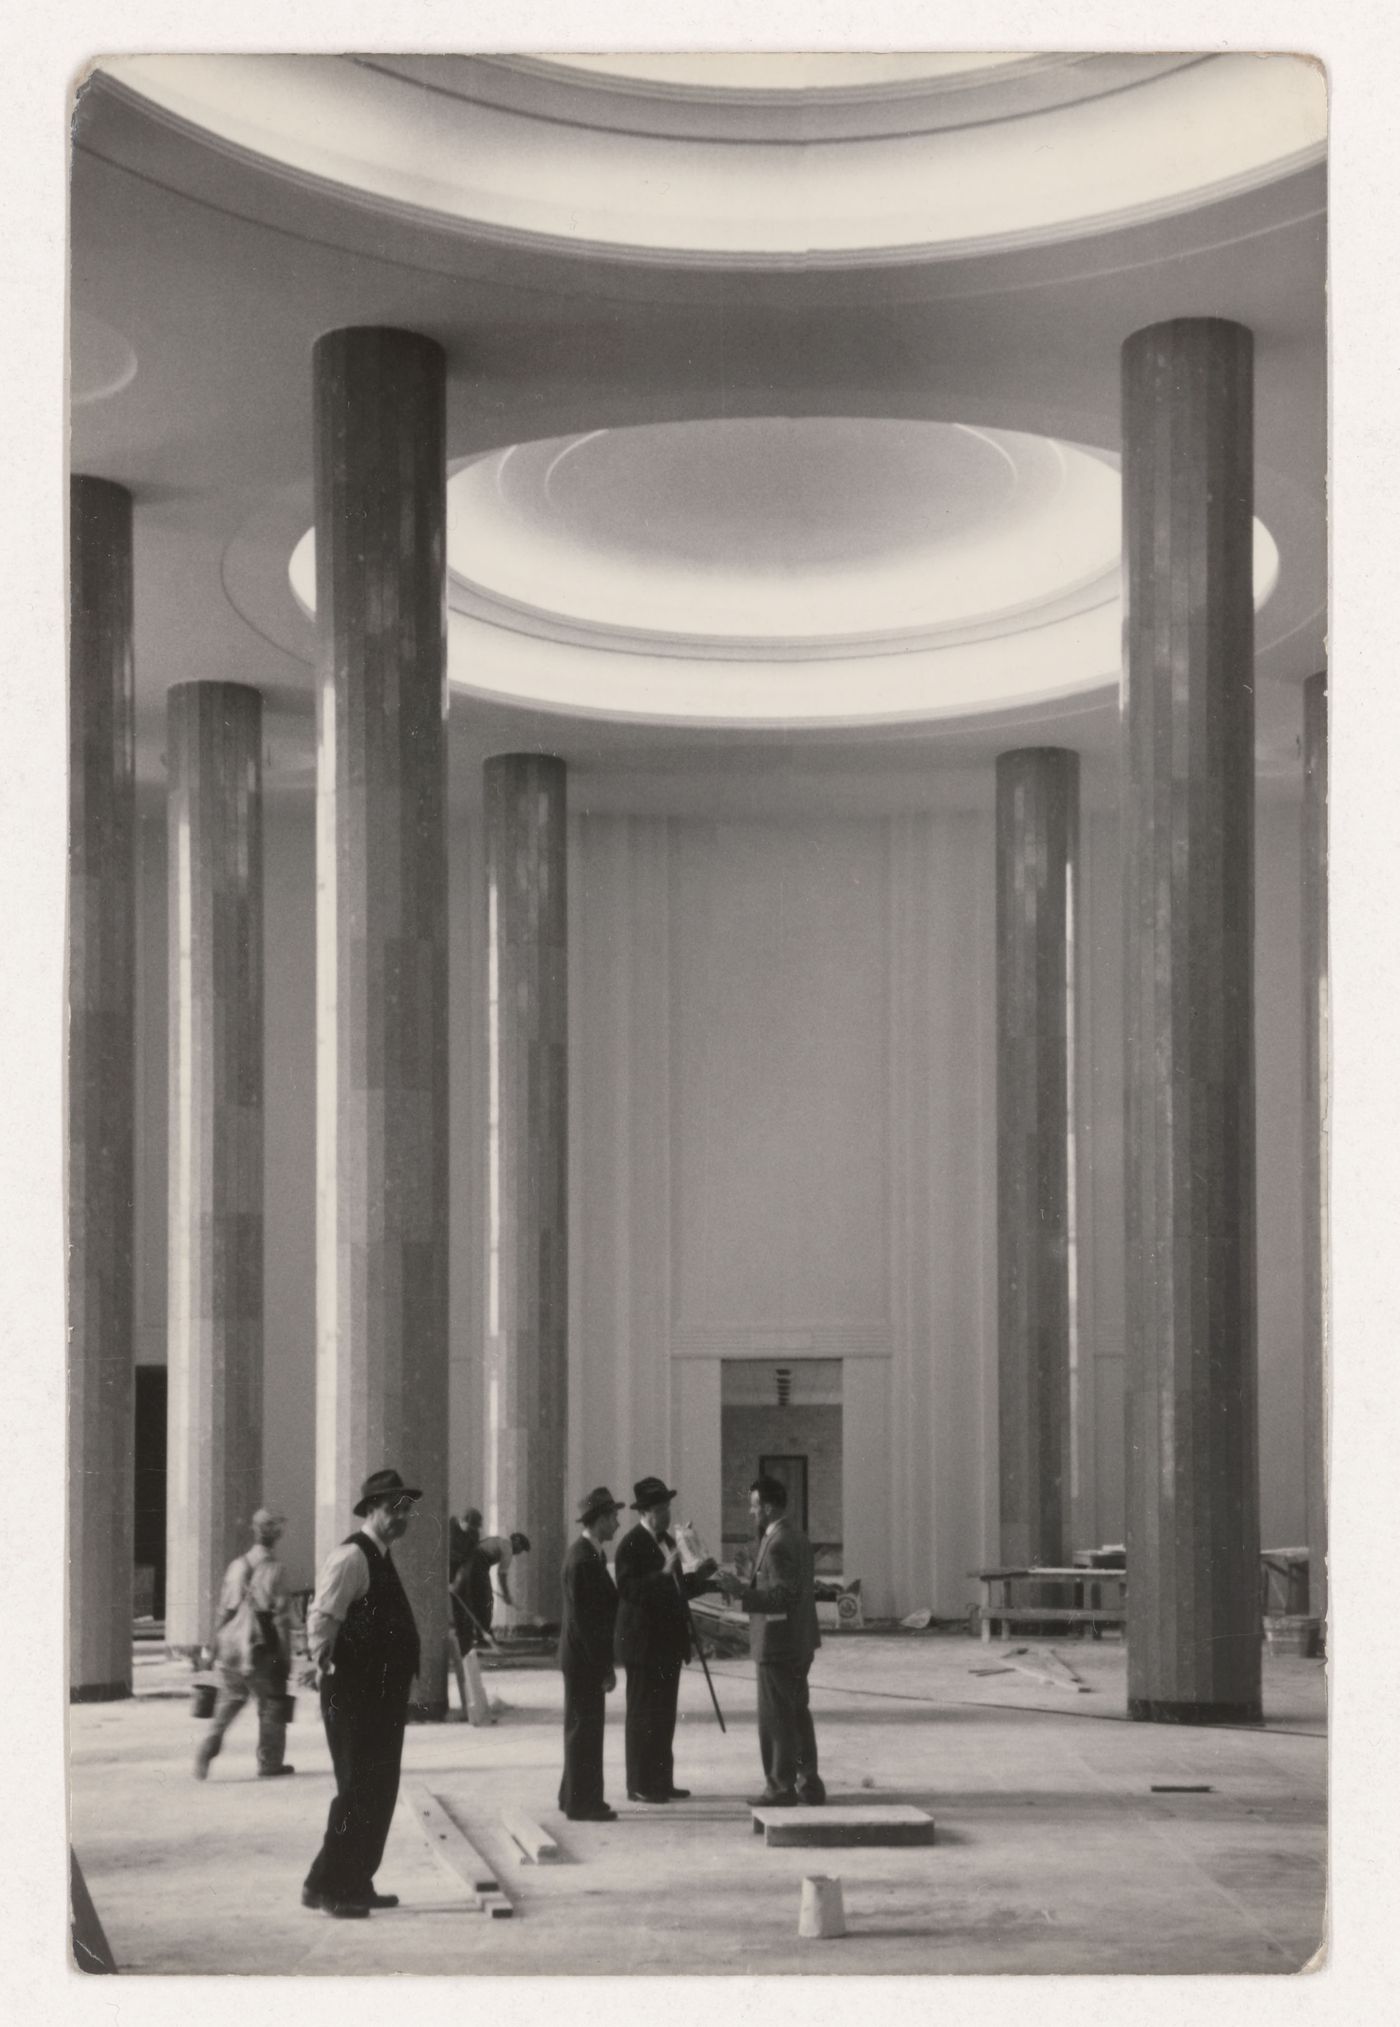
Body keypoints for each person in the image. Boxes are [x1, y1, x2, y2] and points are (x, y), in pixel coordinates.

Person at [301, 1468, 423, 1919]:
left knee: (378, 1790)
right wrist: (324, 1667)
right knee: (358, 1791)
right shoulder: (352, 1557)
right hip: (355, 1696)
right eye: (393, 1507)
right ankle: (337, 1890)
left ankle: (342, 1880)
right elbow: (322, 1619)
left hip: (380, 1697)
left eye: (406, 1508)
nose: (402, 1515)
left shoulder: (382, 1555)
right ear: (370, 1510)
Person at [714, 1475, 826, 1807]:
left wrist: (741, 1593)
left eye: (753, 1507)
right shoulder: (797, 1537)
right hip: (800, 1640)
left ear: (767, 1507)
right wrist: (749, 1577)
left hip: (778, 1644)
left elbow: (782, 1596)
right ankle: (810, 1783)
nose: (751, 1513)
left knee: (776, 1718)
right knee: (797, 1713)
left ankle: (780, 1787)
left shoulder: (776, 1544)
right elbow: (782, 1584)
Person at [613, 1475, 718, 1803]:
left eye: (668, 1507)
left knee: (664, 1715)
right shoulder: (630, 1545)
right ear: (644, 1513)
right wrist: (662, 1574)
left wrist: (704, 1578)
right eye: (660, 1509)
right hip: (643, 1645)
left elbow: (680, 1589)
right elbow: (629, 1591)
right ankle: (639, 1784)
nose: (667, 1514)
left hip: (668, 1644)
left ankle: (661, 1780)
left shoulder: (670, 1543)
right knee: (643, 1714)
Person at [195, 1506, 295, 1780]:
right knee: (272, 1704)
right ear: (277, 1535)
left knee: (229, 1700)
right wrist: (286, 1657)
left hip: (231, 1648)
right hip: (260, 1647)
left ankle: (208, 1746)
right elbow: (282, 1619)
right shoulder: (277, 1570)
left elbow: (224, 1611)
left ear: (254, 1531)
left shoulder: (237, 1566)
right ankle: (269, 1762)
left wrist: (212, 1645)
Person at [557, 1486, 626, 1822]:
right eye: (612, 1517)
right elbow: (586, 1624)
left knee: (581, 1727)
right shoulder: (584, 1559)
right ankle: (581, 1803)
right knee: (585, 1730)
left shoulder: (589, 1553)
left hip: (580, 1657)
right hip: (584, 1659)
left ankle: (571, 1795)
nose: (617, 1523)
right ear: (598, 1520)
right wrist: (605, 1668)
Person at [450, 1524, 531, 1648]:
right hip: (477, 1565)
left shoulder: (500, 1541)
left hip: (470, 1565)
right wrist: (506, 1594)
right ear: (516, 1541)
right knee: (486, 1601)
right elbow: (502, 1575)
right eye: (521, 1548)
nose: (519, 1552)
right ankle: (484, 1638)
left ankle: (480, 1637)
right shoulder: (507, 1547)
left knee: (477, 1601)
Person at [447, 1506, 483, 1651]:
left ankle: (465, 1648)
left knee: (464, 1607)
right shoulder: (447, 1526)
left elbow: (468, 1562)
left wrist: (457, 1582)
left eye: (475, 1527)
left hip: (459, 1569)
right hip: (442, 1567)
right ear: (462, 1520)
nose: (472, 1530)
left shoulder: (474, 1535)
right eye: (470, 1526)